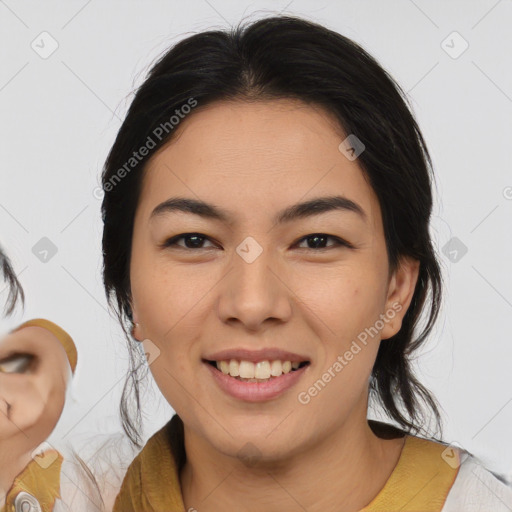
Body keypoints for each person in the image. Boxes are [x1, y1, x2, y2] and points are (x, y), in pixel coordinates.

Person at [99, 15, 512, 511]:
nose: (252, 305)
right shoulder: (48, 495)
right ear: (128, 289)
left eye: (317, 241)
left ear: (396, 290)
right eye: (194, 240)